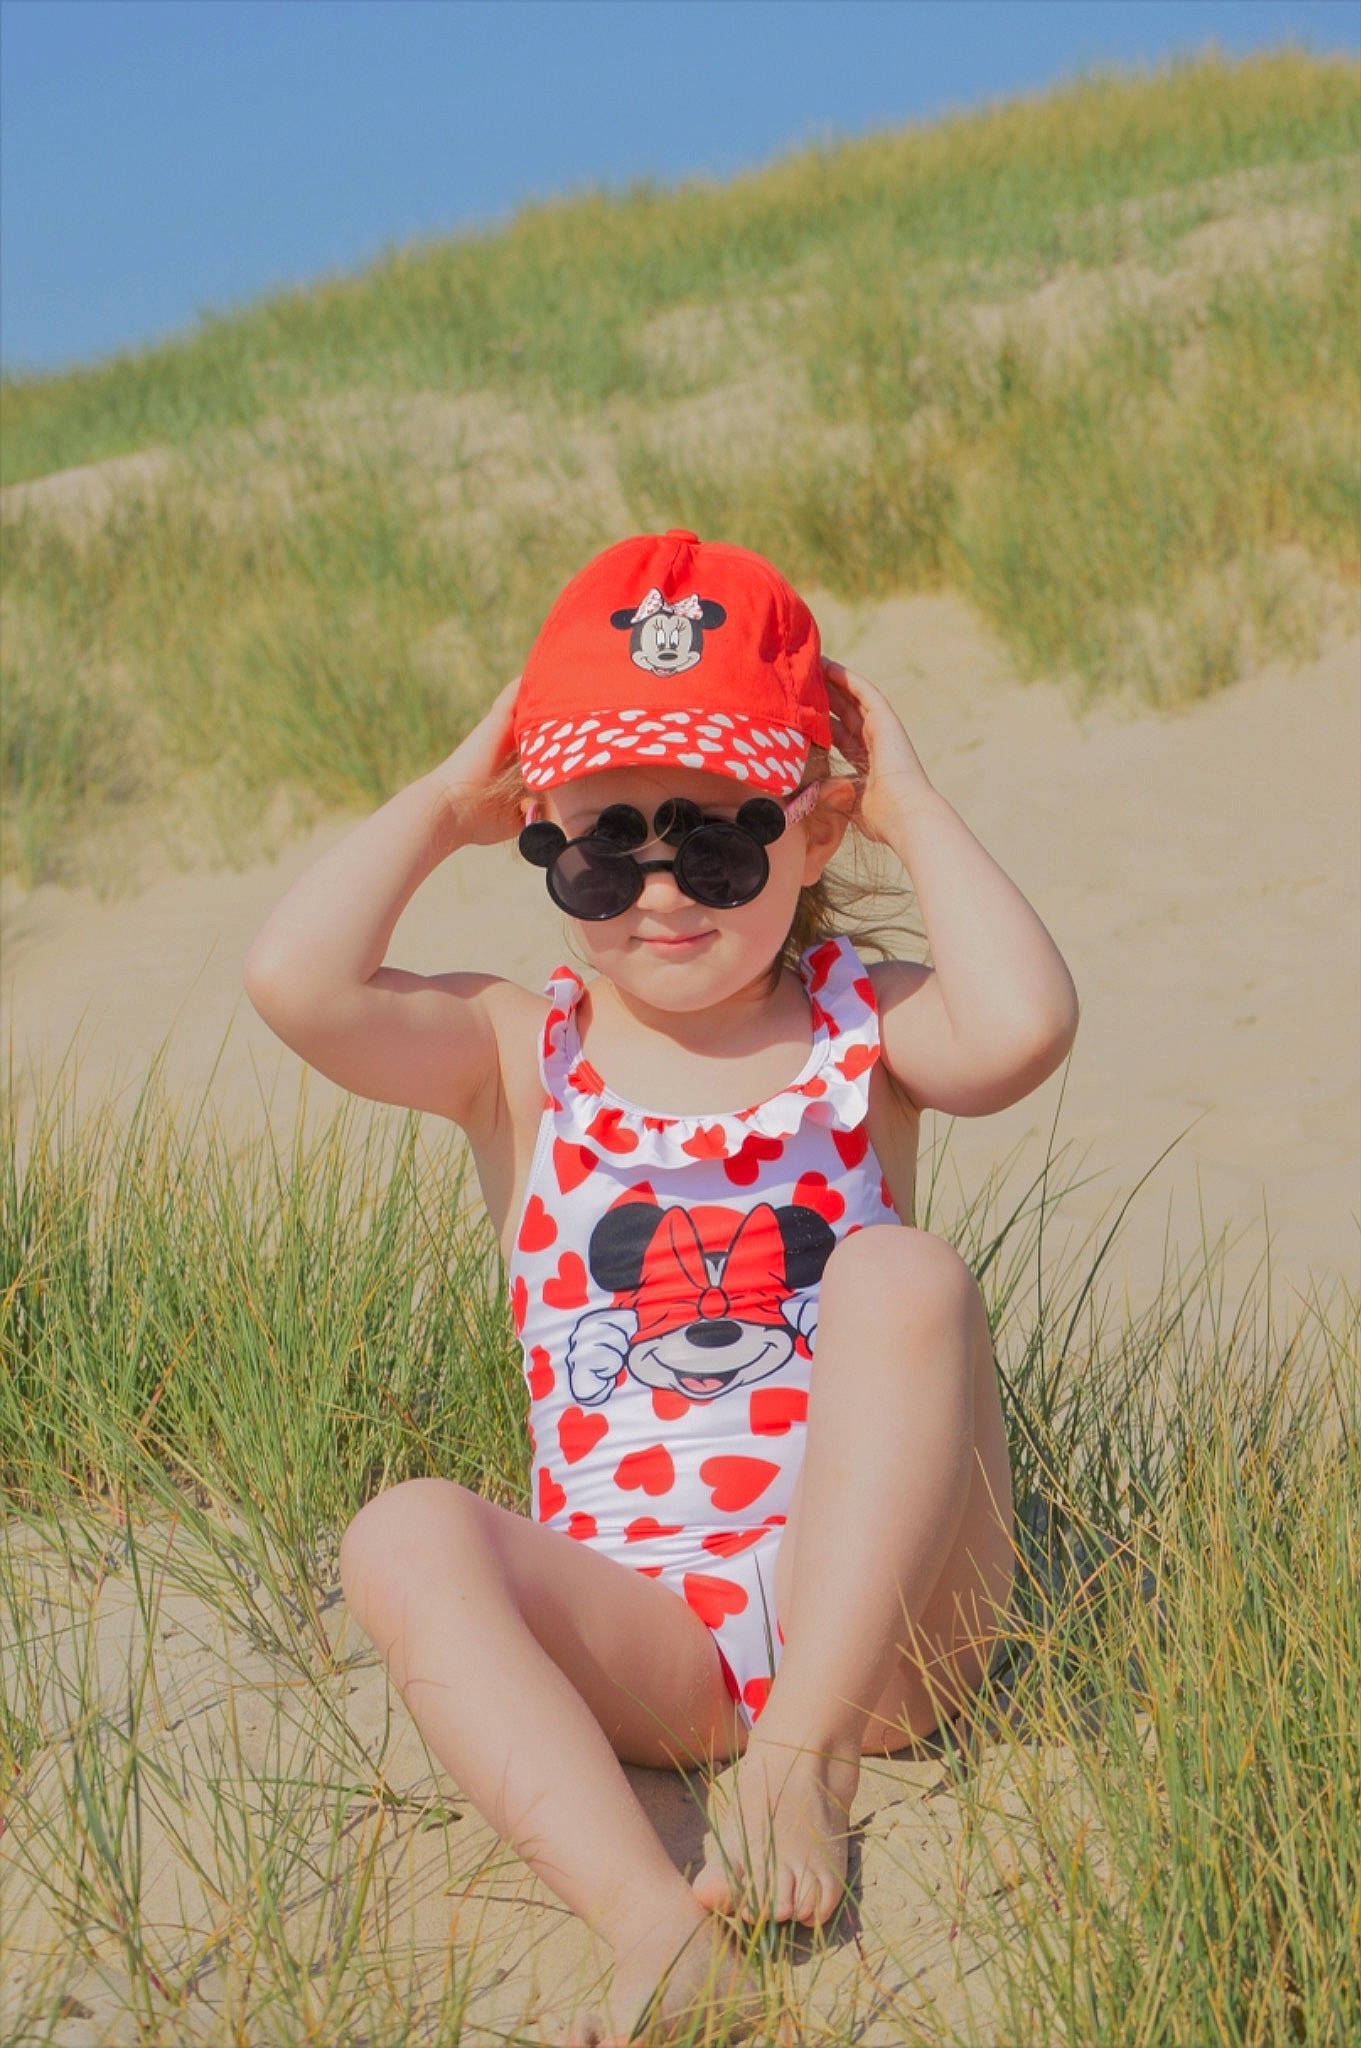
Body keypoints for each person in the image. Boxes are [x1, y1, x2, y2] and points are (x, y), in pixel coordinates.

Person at [243, 530, 1078, 2046]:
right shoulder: (518, 1049)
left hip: (885, 1623)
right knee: (401, 1530)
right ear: (536, 834)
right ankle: (646, 1919)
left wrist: (914, 805)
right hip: (654, 1637)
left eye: (715, 841)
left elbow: (1020, 1029)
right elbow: (296, 983)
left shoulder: (858, 1024)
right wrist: (442, 799)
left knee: (900, 1273)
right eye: (596, 844)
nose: (656, 890)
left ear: (812, 835)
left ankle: (803, 1767)